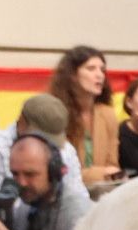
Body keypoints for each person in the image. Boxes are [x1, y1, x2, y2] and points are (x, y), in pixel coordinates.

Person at [0, 94, 86, 195]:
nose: (48, 143)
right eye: (43, 136)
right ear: (22, 123)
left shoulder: (67, 150)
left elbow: (79, 197)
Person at [48, 45, 120, 185]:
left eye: (102, 70)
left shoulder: (108, 114)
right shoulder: (54, 113)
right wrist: (99, 174)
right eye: (91, 69)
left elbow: (113, 166)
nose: (99, 75)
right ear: (72, 75)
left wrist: (106, 174)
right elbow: (60, 170)